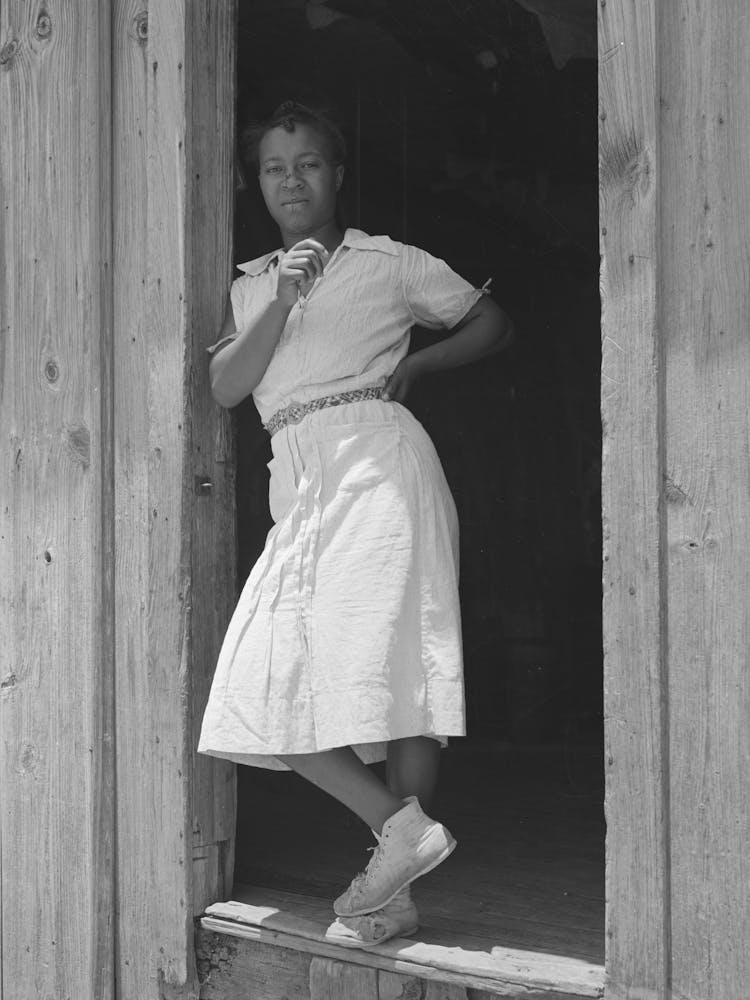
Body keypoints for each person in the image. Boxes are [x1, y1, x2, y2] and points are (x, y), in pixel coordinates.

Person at [197, 100, 514, 949]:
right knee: (262, 681)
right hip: (299, 476)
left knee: (403, 674)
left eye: (308, 163)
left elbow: (490, 320)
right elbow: (227, 386)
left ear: (336, 174)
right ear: (258, 183)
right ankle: (400, 831)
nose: (291, 180)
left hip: (380, 460)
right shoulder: (250, 284)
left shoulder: (389, 262)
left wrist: (421, 361)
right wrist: (282, 298)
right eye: (274, 167)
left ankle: (388, 896)